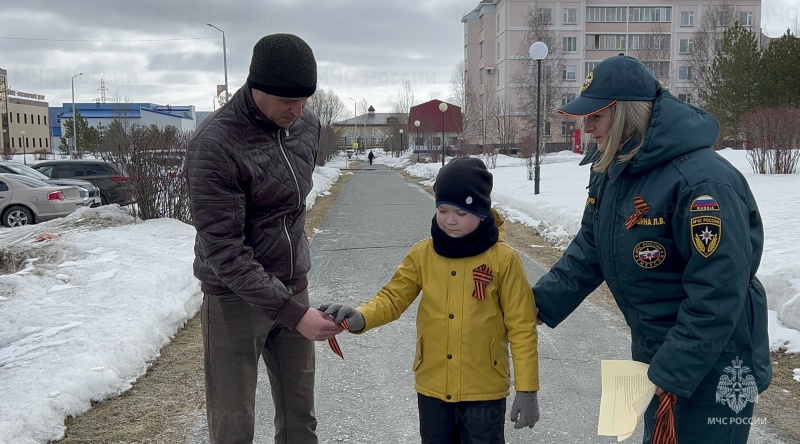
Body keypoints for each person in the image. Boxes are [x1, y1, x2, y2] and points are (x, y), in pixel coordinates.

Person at [532, 54, 771, 444]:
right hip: (661, 353)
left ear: (627, 114)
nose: (586, 126)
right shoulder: (618, 169)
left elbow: (719, 291)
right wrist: (540, 304)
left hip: (713, 364)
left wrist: (675, 370)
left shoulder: (701, 182)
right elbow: (591, 246)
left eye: (597, 117)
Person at [186, 33, 342, 444]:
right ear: (256, 87)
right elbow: (224, 250)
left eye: (305, 99)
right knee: (233, 424)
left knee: (300, 419)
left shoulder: (306, 125)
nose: (299, 110)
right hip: (232, 298)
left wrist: (295, 298)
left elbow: (292, 209)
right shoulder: (215, 144)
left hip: (293, 287)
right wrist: (293, 313)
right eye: (288, 101)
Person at [321, 157, 541, 443]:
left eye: (461, 212)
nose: (450, 220)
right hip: (433, 386)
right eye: (443, 210)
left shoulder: (504, 259)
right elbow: (392, 298)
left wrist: (528, 389)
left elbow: (522, 327)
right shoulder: (423, 254)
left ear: (482, 211)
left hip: (484, 389)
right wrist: (362, 316)